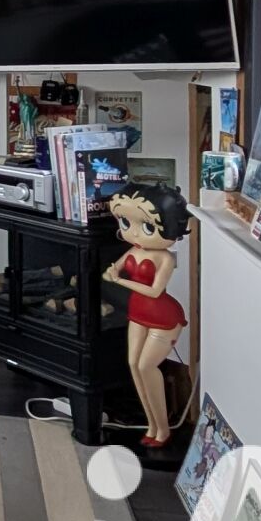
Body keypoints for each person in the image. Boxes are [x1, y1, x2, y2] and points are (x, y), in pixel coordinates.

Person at [103, 182, 191, 449]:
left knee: (145, 366)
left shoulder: (165, 259)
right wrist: (113, 273)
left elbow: (154, 291)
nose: (134, 232)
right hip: (137, 313)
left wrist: (120, 280)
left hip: (163, 317)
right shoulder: (134, 250)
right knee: (133, 364)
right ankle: (151, 424)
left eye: (148, 227)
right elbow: (112, 270)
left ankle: (163, 428)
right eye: (125, 222)